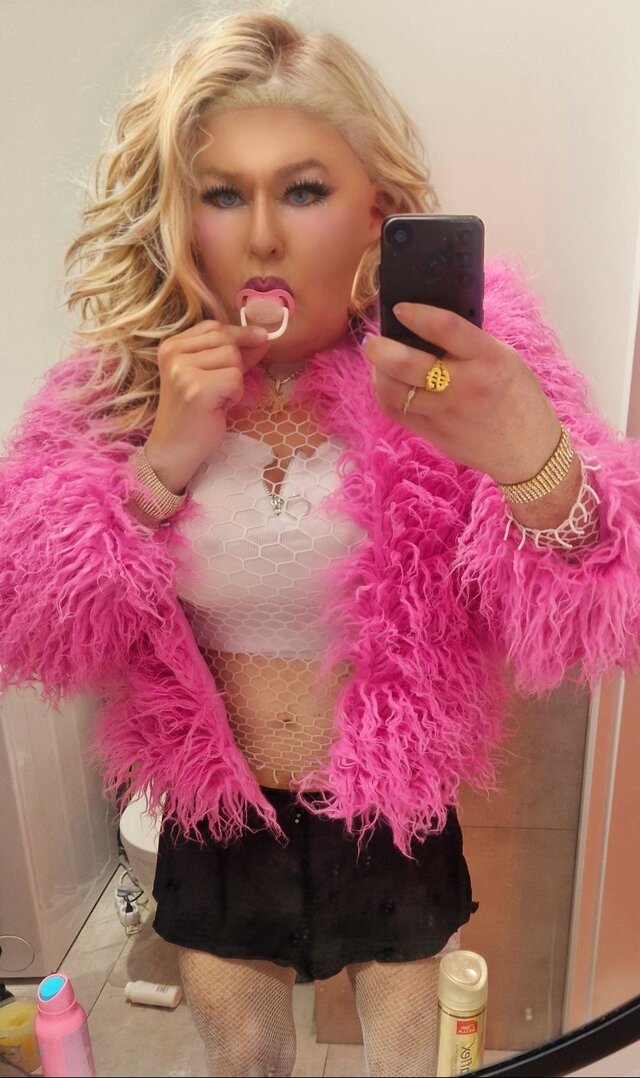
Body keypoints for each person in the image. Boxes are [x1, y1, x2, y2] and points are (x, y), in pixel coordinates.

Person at [2, 8, 640, 1078]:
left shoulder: (464, 366)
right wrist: (159, 465)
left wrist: (529, 455)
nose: (261, 235)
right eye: (222, 193)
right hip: (215, 808)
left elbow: (587, 606)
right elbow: (30, 619)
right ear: (181, 214)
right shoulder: (121, 382)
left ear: (375, 208)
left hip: (393, 804)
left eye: (303, 190)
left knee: (403, 1061)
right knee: (244, 1059)